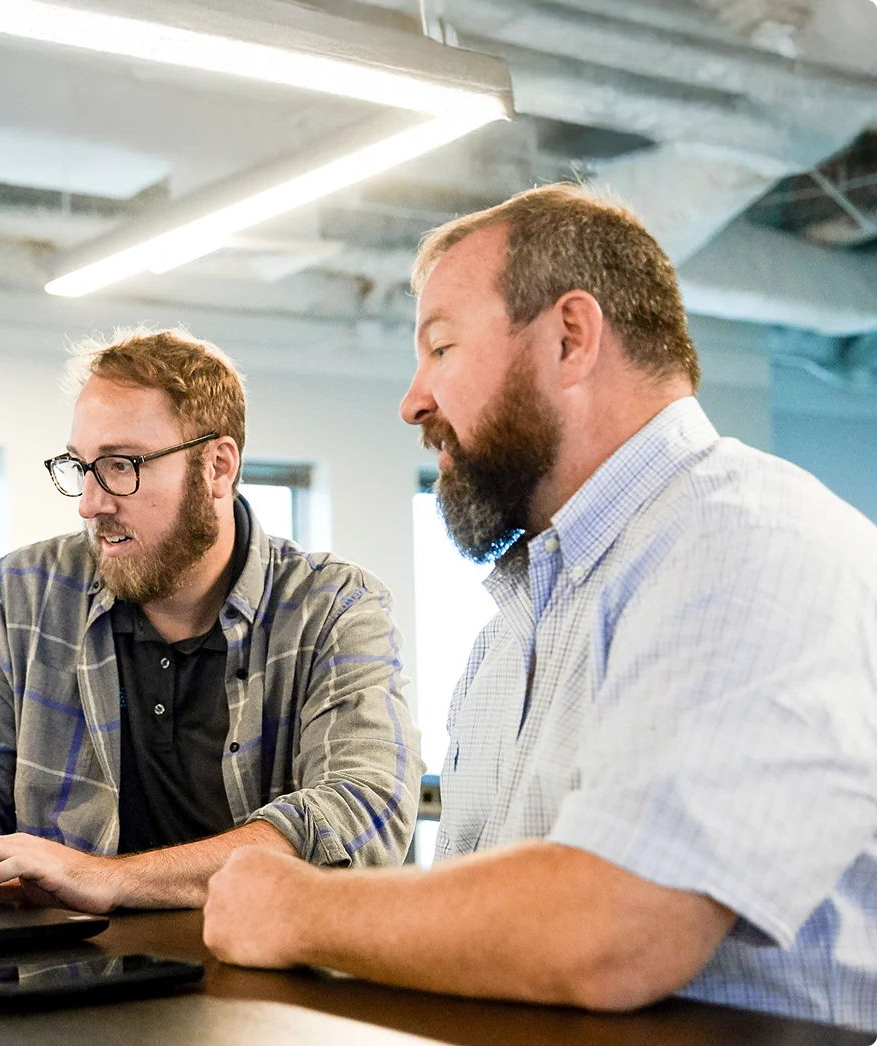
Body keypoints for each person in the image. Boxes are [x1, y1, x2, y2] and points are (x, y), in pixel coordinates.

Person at [202, 185, 877, 1030]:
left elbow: (615, 929)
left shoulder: (750, 546)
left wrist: (294, 909)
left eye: (441, 346)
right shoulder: (520, 619)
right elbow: (494, 935)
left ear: (570, 338)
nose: (412, 400)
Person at [0, 327, 421, 913]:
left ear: (218, 467)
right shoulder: (26, 592)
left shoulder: (335, 605)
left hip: (261, 989)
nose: (91, 503)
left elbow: (360, 812)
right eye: (80, 467)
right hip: (70, 979)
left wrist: (108, 878)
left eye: (122, 465)